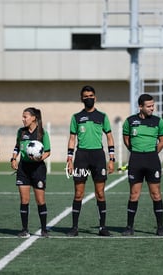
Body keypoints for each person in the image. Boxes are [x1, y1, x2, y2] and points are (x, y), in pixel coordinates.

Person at [66, 85, 115, 237]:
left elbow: (109, 137)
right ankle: (74, 228)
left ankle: (102, 227)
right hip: (81, 157)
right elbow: (72, 138)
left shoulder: (102, 116)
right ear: (81, 99)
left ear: (95, 97)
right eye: (86, 96)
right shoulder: (76, 117)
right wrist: (69, 159)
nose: (89, 98)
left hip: (98, 157)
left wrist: (112, 158)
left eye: (91, 96)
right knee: (78, 193)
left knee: (100, 193)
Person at [121, 93, 163, 236]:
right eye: (149, 106)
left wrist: (152, 153)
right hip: (136, 160)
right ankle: (129, 227)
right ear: (140, 107)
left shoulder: (158, 122)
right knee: (134, 194)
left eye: (153, 105)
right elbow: (126, 140)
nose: (152, 108)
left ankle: (160, 227)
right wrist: (137, 152)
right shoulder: (130, 121)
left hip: (152, 160)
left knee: (156, 194)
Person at [10, 107, 51, 238]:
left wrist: (39, 158)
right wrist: (13, 158)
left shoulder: (42, 133)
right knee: (24, 200)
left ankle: (44, 229)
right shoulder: (21, 132)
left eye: (25, 117)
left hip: (38, 169)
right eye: (23, 117)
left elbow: (48, 151)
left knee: (40, 200)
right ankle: (24, 229)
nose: (23, 119)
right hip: (23, 169)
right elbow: (17, 146)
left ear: (34, 118)